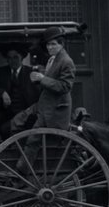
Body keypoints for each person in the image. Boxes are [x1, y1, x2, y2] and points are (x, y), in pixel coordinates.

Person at [18, 26, 76, 172]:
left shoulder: (66, 61)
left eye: (53, 44)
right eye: (48, 44)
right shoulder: (53, 59)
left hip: (55, 111)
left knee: (33, 139)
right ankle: (23, 165)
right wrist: (39, 80)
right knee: (21, 126)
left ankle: (22, 170)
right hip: (46, 106)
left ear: (61, 44)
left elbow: (65, 86)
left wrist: (43, 79)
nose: (50, 47)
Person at [0, 46, 40, 147]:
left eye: (15, 57)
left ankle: (15, 152)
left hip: (25, 112)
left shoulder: (31, 73)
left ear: (22, 58)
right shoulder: (0, 72)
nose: (12, 61)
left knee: (7, 129)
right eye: (9, 58)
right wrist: (2, 92)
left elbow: (38, 96)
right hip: (5, 112)